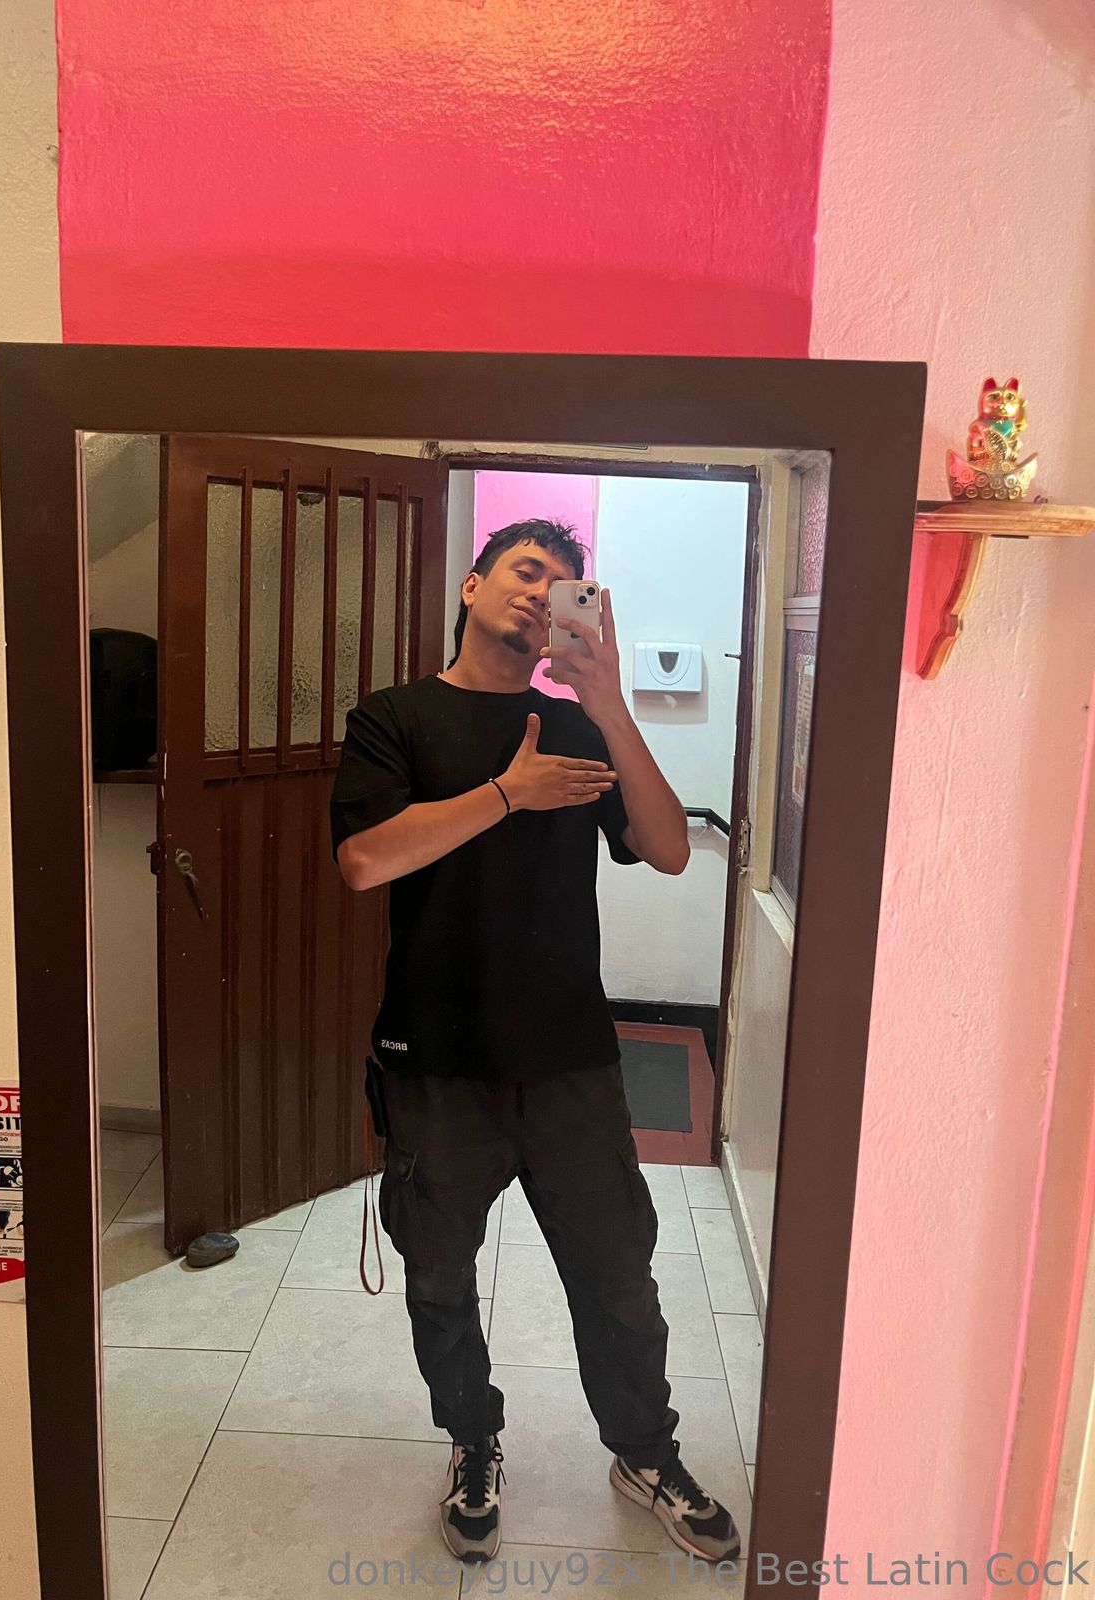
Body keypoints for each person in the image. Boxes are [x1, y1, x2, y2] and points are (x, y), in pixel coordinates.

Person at [330, 518, 741, 1567]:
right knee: (439, 1277)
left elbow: (667, 850)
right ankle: (473, 1440)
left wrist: (607, 705)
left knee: (618, 1278)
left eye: (562, 583)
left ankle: (645, 1453)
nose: (540, 590)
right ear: (472, 586)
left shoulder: (573, 727)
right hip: (434, 1060)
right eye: (524, 570)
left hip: (570, 1061)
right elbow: (366, 861)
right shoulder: (394, 717)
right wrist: (507, 793)